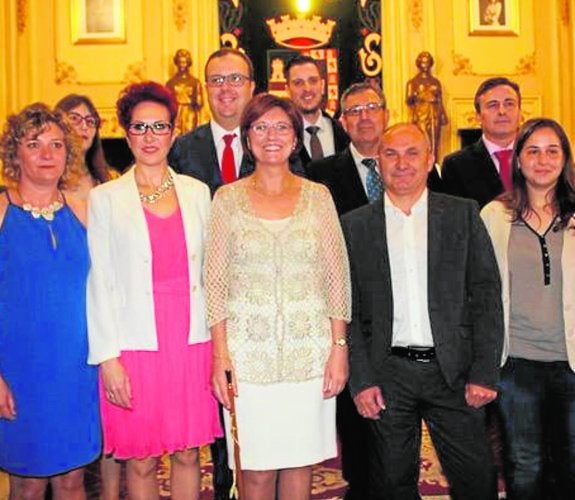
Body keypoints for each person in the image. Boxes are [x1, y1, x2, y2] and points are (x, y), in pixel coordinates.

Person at [341, 123, 503, 499]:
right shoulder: (355, 226)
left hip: (456, 372)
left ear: (430, 160)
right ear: (377, 162)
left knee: (476, 479)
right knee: (391, 484)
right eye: (391, 154)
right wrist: (361, 380)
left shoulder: (462, 215)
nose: (402, 163)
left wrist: (485, 372)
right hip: (388, 374)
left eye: (412, 152)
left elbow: (486, 296)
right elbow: (347, 310)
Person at [206, 93, 351, 500]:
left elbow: (337, 277)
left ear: (295, 138)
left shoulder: (318, 196)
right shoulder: (226, 200)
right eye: (261, 127)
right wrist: (220, 357)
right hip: (248, 360)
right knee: (254, 471)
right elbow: (214, 284)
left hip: (310, 355)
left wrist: (339, 347)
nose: (272, 135)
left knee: (299, 467)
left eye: (282, 126)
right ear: (248, 137)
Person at [87, 81, 221, 500]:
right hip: (134, 342)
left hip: (191, 339)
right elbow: (100, 282)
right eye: (139, 127)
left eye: (158, 127)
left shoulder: (198, 194)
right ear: (126, 134)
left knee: (187, 453)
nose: (149, 137)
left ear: (174, 132)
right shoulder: (105, 198)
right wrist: (108, 359)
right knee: (141, 458)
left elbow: (214, 274)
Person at [0, 103, 101, 498]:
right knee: (27, 481)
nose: (47, 154)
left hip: (76, 368)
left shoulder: (83, 210)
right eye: (34, 144)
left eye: (56, 145)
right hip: (20, 370)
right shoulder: (3, 208)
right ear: (15, 153)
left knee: (73, 479)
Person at [480, 118, 575, 500]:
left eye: (553, 150)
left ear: (565, 159)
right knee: (524, 465)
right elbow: (480, 293)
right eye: (532, 150)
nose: (542, 159)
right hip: (517, 364)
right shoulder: (494, 217)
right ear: (517, 160)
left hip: (570, 361)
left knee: (571, 465)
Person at [307, 81, 388, 500]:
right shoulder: (321, 176)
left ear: (386, 114)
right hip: (346, 308)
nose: (364, 116)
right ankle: (359, 486)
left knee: (397, 413)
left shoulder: (411, 164)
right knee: (355, 411)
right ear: (342, 123)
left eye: (371, 107)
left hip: (402, 312)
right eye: (354, 111)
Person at [55, 92, 121, 500]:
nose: (82, 127)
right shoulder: (38, 186)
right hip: (61, 318)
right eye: (72, 119)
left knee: (105, 422)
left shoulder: (109, 184)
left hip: (106, 315)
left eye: (90, 121)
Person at [168, 47, 256, 195]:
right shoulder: (180, 150)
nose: (225, 88)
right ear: (206, 88)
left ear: (251, 87)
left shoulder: (270, 145)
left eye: (235, 79)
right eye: (216, 80)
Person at [441, 77, 522, 208]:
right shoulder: (456, 165)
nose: (502, 111)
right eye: (493, 105)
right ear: (478, 116)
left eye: (509, 104)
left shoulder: (538, 158)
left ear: (520, 113)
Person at [284, 54, 349, 169]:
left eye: (313, 81)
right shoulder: (281, 136)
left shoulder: (345, 132)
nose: (307, 89)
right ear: (287, 90)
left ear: (322, 85)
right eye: (298, 83)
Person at [55, 93, 117, 201]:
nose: (84, 126)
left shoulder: (109, 179)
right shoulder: (47, 177)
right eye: (74, 118)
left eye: (90, 121)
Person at [405, 51, 447, 163]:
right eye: (423, 62)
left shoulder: (435, 82)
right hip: (420, 115)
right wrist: (420, 96)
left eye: (427, 62)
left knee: (434, 144)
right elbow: (408, 100)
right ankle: (422, 166)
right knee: (422, 143)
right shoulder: (412, 82)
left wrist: (443, 115)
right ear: (418, 64)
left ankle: (434, 167)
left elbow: (440, 100)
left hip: (434, 115)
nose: (425, 65)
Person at [166, 49, 204, 134]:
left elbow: (199, 104)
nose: (182, 65)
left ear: (188, 63)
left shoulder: (195, 82)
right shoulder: (171, 83)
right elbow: (167, 103)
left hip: (190, 114)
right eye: (180, 62)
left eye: (184, 62)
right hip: (176, 114)